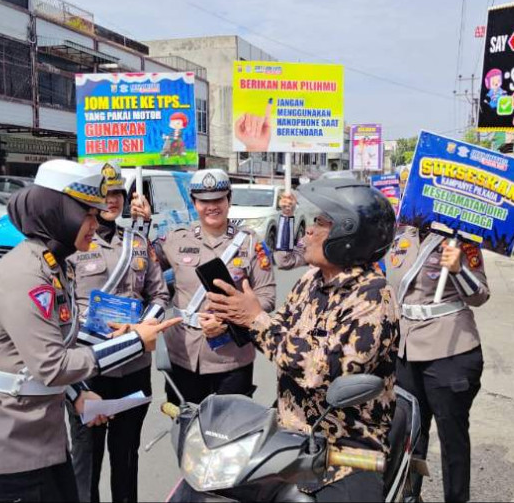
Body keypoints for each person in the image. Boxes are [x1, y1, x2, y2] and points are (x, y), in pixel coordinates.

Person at [0, 160, 180, 503]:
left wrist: (78, 393)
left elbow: (59, 343)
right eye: (88, 215)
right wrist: (136, 341)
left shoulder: (53, 266)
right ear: (58, 213)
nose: (95, 224)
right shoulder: (27, 275)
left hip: (37, 432)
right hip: (0, 441)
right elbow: (52, 364)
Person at [205, 177, 399, 502]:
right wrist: (232, 320)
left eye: (321, 223)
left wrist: (255, 319)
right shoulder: (311, 280)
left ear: (347, 235)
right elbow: (278, 329)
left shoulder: (373, 296)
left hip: (346, 450)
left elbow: (320, 370)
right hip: (291, 437)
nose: (308, 230)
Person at [65, 161, 169, 503]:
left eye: (118, 194)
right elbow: (63, 305)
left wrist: (140, 327)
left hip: (133, 367)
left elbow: (159, 295)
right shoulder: (75, 244)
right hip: (89, 368)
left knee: (126, 455)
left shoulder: (138, 242)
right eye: (105, 194)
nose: (112, 201)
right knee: (87, 457)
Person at [386, 220, 491, 503]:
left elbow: (480, 295)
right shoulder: (401, 234)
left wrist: (458, 269)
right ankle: (410, 496)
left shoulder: (461, 238)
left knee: (451, 436)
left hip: (449, 350)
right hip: (406, 349)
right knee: (410, 434)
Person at [151, 168, 276, 405]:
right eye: (204, 201)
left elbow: (266, 297)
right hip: (183, 355)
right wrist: (142, 221)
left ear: (229, 199)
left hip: (232, 358)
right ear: (194, 203)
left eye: (218, 199)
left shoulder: (250, 243)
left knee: (229, 425)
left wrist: (227, 322)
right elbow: (141, 266)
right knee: (186, 423)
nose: (212, 207)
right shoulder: (175, 239)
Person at [273, 189, 307, 270]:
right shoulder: (305, 243)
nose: (309, 230)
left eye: (320, 223)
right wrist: (287, 214)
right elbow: (284, 261)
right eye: (316, 222)